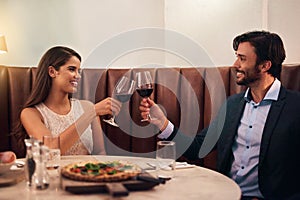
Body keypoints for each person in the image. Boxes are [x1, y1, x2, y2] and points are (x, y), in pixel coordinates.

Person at [139, 31, 300, 199]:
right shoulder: (233, 105)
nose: (235, 64)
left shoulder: (295, 107)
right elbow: (198, 148)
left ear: (264, 66)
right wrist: (162, 122)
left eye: (242, 59)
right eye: (237, 57)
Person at [20, 46, 122, 155]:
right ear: (52, 72)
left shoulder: (87, 107)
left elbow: (100, 152)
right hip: (52, 172)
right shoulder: (30, 113)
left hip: (86, 171)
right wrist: (92, 113)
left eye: (79, 71)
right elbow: (50, 151)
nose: (78, 76)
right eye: (72, 69)